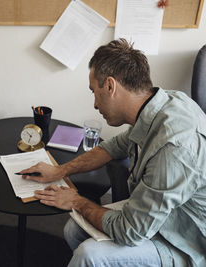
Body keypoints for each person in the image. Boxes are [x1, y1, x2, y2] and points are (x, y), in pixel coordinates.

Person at [20, 39, 206, 266]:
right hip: (157, 214)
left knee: (88, 255)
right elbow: (112, 147)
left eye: (94, 92)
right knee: (74, 229)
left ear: (110, 86)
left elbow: (131, 231)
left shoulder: (173, 148)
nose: (95, 104)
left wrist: (77, 201)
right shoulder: (160, 106)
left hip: (184, 241)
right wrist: (59, 170)